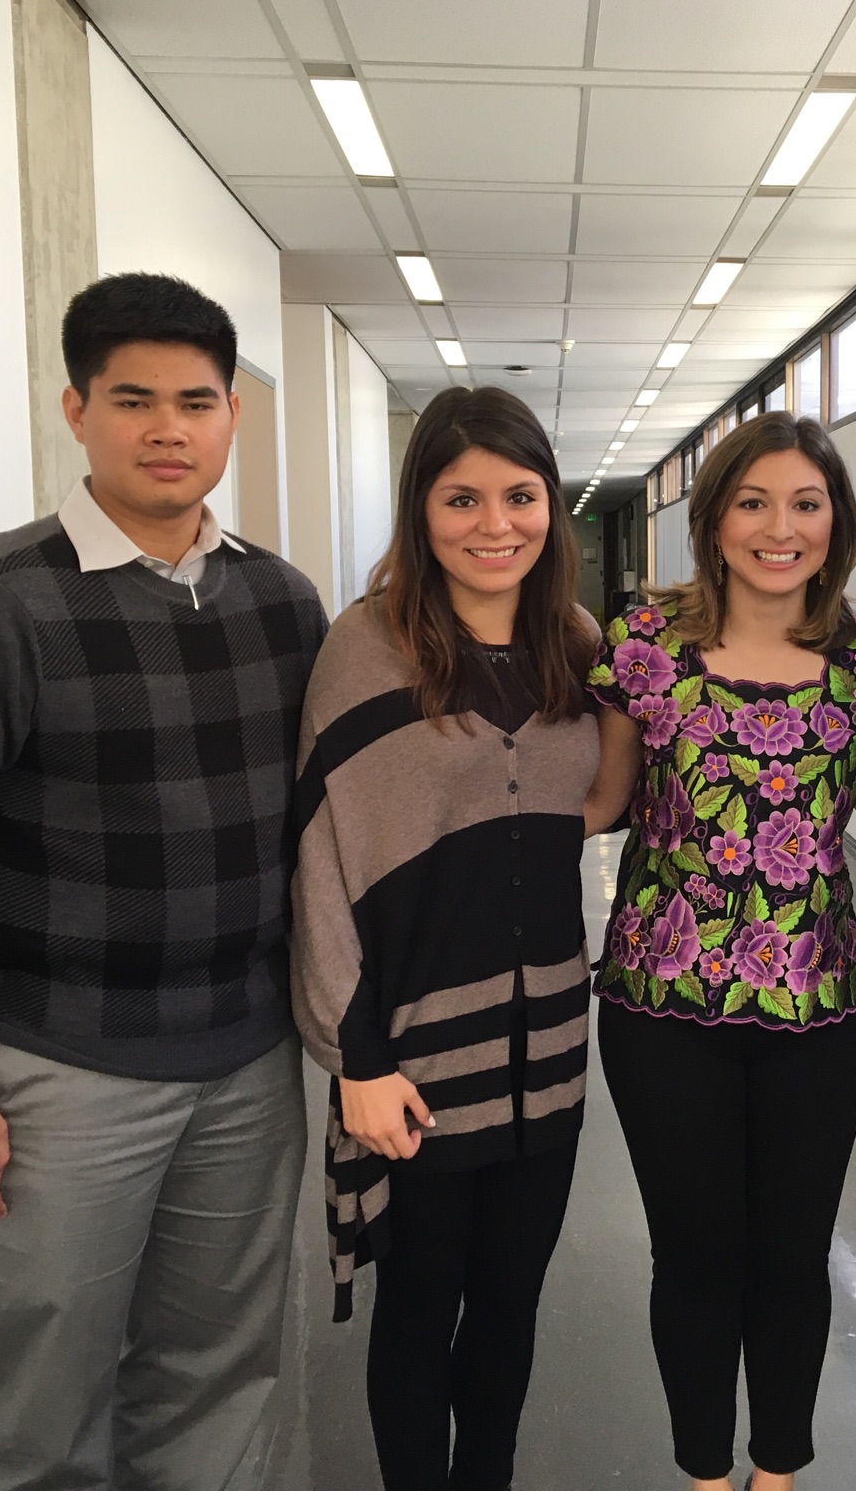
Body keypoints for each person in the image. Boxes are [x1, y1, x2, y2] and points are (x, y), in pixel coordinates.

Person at [0, 273, 328, 1490]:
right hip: (59, 1070)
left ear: (229, 419)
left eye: (195, 401)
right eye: (132, 400)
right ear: (75, 410)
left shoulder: (280, 601)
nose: (167, 428)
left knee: (220, 1373)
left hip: (244, 1061)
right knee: (36, 1399)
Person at [582, 412, 856, 1491]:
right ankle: (700, 1474)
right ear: (712, 517)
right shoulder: (642, 647)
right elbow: (600, 800)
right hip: (659, 1003)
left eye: (805, 504)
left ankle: (777, 1471)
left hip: (818, 1011)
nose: (780, 529)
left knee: (790, 1257)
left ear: (836, 521)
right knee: (692, 1256)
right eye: (753, 502)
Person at [290, 386, 599, 1491]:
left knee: (510, 1306)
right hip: (413, 1057)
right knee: (420, 1310)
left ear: (550, 509)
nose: (492, 523)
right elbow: (321, 866)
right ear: (420, 509)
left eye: (519, 496)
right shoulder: (365, 648)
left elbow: (605, 805)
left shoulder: (575, 648)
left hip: (550, 1049)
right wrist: (356, 1059)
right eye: (459, 497)